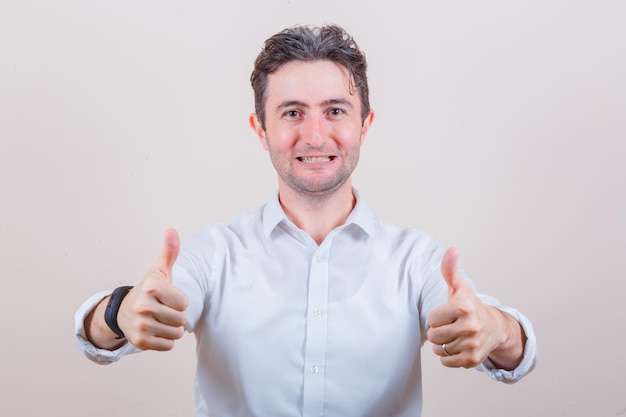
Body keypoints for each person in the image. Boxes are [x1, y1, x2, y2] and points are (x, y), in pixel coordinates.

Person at [75, 23, 537, 416]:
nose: (315, 136)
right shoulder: (217, 253)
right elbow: (108, 329)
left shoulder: (416, 261)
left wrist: (496, 328)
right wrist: (120, 312)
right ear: (260, 130)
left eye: (335, 111)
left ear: (364, 125)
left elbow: (511, 350)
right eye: (292, 113)